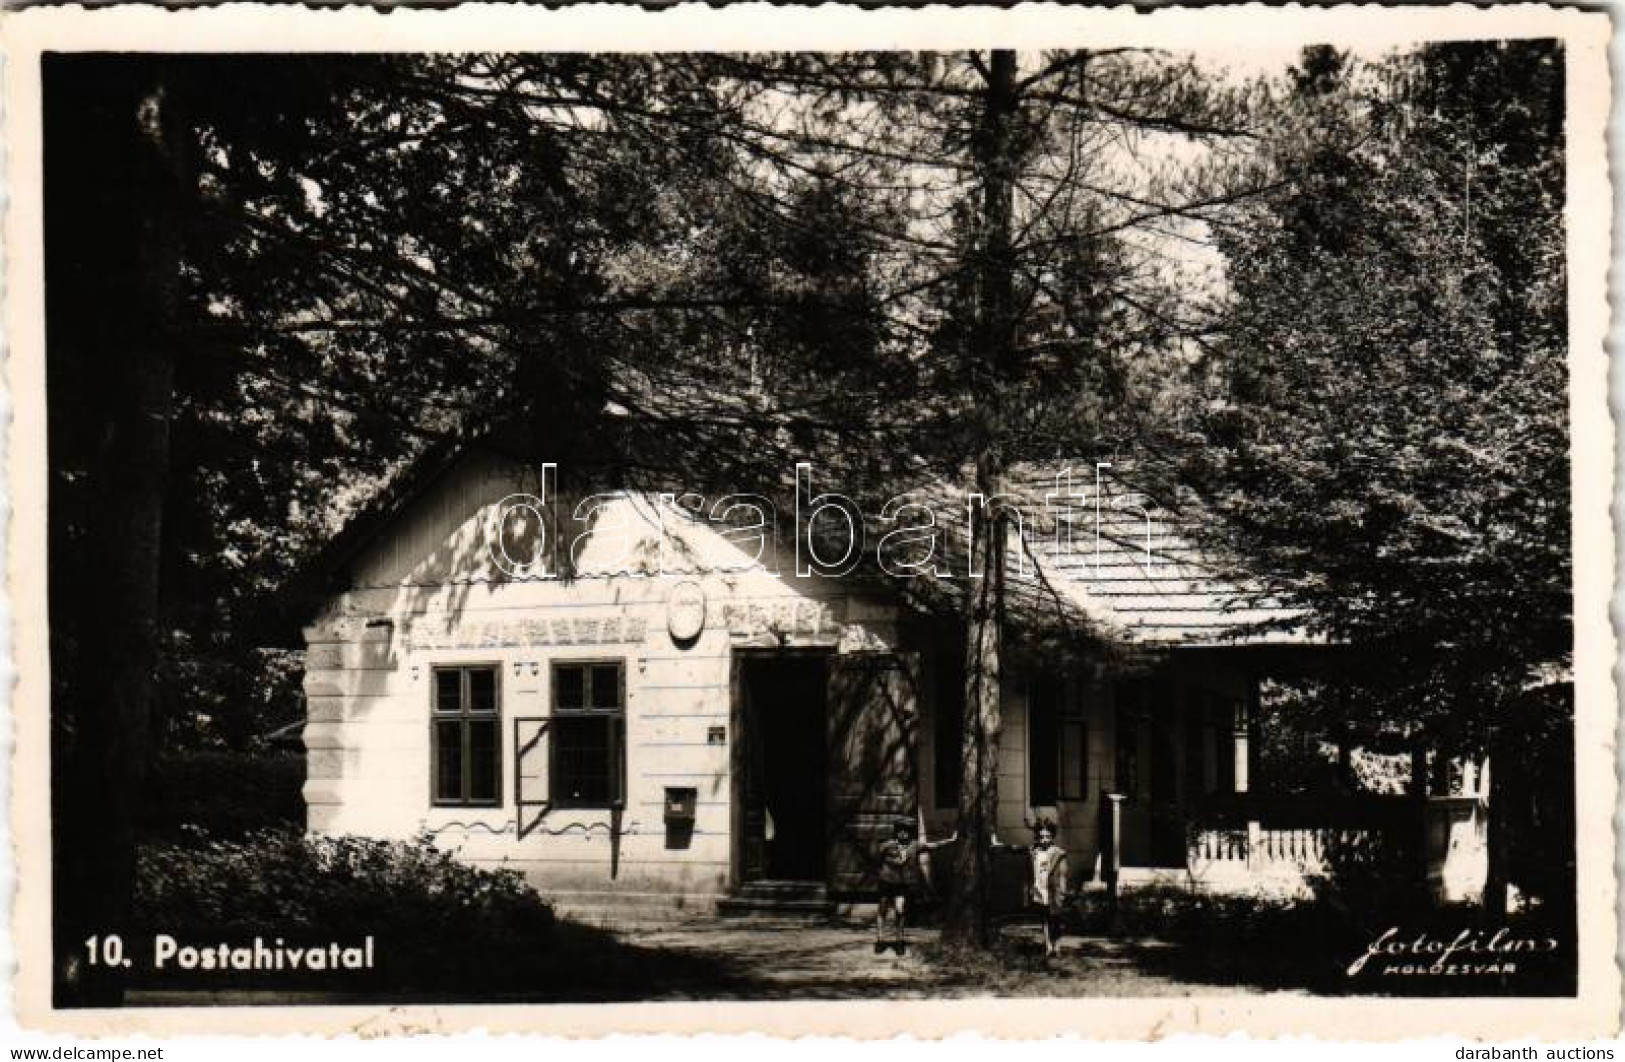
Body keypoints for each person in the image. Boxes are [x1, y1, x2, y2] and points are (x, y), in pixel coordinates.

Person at [874, 817, 956, 955]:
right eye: (900, 831)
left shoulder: (915, 845)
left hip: (902, 884)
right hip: (886, 882)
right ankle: (880, 940)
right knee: (882, 909)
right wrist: (885, 869)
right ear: (896, 832)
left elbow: (933, 845)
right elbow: (877, 861)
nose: (903, 834)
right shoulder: (886, 845)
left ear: (910, 832)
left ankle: (899, 941)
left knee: (900, 910)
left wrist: (951, 840)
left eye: (906, 831)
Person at [1029, 818, 1070, 957]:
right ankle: (1048, 945)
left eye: (1047, 836)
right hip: (1040, 889)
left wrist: (1063, 891)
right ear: (1038, 837)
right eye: (1041, 837)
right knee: (1044, 918)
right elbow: (1032, 871)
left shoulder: (1058, 853)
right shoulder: (1034, 852)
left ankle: (1057, 945)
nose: (1044, 840)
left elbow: (1063, 874)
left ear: (1052, 837)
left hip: (1054, 889)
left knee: (1056, 918)